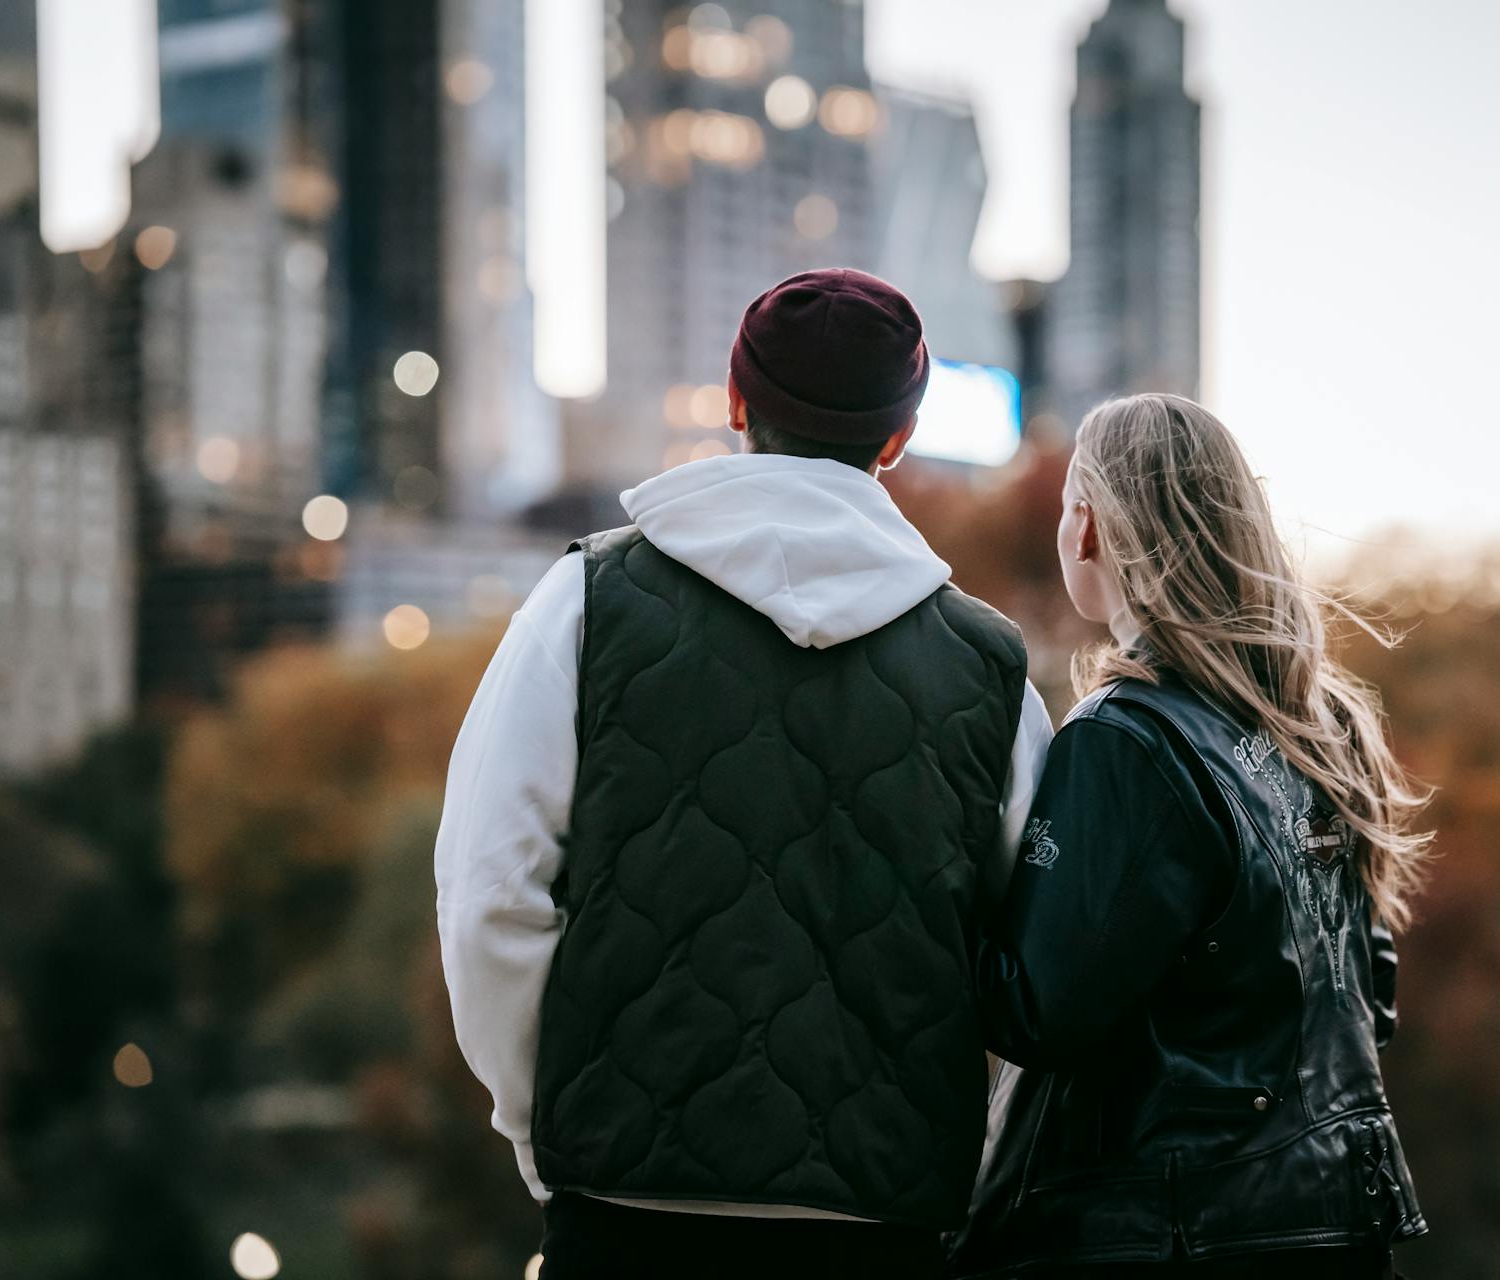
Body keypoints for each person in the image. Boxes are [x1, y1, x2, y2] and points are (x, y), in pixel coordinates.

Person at [435, 269, 1053, 1278]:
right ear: (896, 437)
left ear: (734, 403)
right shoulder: (992, 672)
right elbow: (1034, 978)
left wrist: (546, 1125)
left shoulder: (585, 603)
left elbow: (489, 896)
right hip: (883, 1229)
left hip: (624, 1214)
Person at [948, 393, 1433, 1277]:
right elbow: (1374, 991)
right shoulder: (1326, 727)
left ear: (1088, 530)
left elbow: (1035, 1009)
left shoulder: (1128, 741)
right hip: (1335, 1222)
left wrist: (930, 890)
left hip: (1162, 1233)